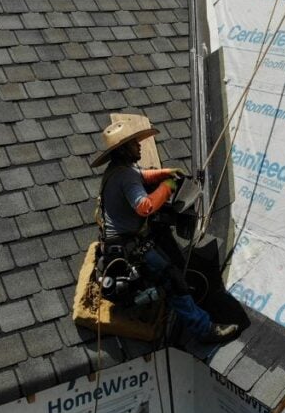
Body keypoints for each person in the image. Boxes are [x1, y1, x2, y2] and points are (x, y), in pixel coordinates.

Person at [91, 115, 239, 345]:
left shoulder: (117, 170)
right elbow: (145, 207)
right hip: (129, 248)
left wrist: (165, 173)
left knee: (169, 270)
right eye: (134, 143)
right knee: (173, 279)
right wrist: (168, 186)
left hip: (118, 244)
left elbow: (142, 175)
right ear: (123, 150)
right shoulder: (125, 176)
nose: (139, 145)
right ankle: (204, 330)